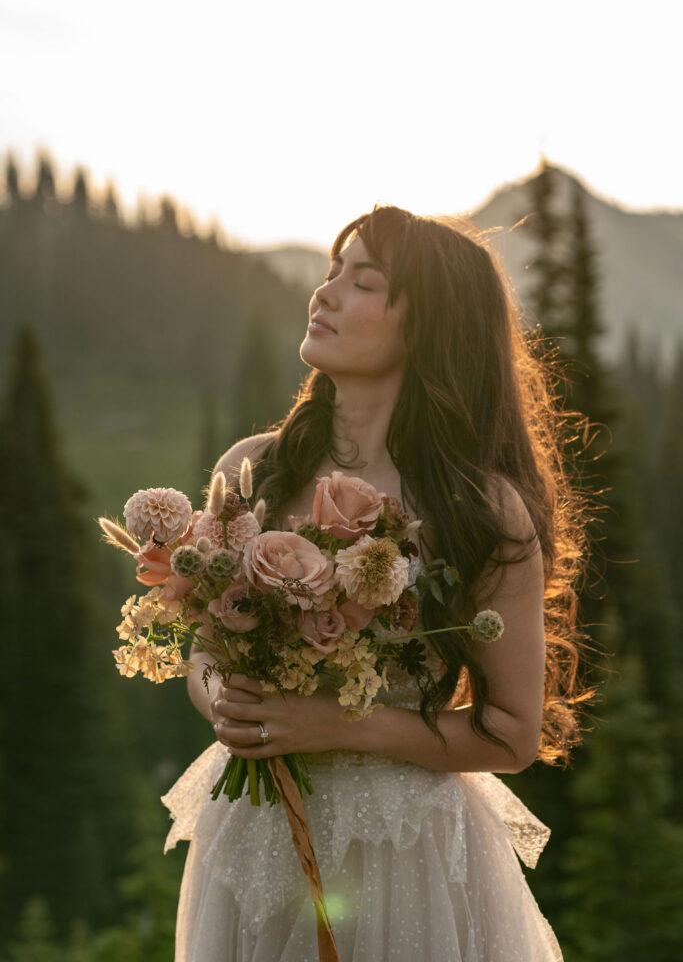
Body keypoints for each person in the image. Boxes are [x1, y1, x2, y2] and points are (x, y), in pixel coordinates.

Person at [162, 205, 590, 961]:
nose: (322, 294)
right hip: (254, 836)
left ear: (428, 327)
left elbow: (512, 732)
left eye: (362, 282)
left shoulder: (479, 511)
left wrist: (337, 726)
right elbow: (203, 648)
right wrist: (223, 700)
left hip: (403, 854)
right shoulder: (252, 469)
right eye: (330, 273)